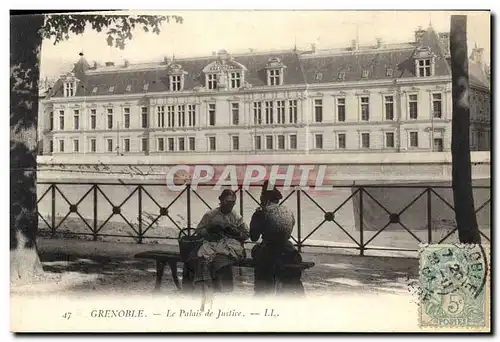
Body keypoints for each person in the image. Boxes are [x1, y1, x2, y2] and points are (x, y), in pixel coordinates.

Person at [187, 189, 249, 293]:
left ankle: (223, 289)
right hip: (212, 244)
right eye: (227, 202)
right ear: (221, 200)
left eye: (233, 203)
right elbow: (199, 231)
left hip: (230, 247)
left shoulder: (236, 217)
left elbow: (246, 235)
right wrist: (209, 230)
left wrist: (235, 232)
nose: (230, 205)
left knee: (222, 261)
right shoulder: (211, 215)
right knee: (200, 259)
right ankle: (207, 288)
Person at [250, 181, 305, 296]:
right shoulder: (288, 212)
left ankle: (262, 293)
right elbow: (287, 234)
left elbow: (254, 237)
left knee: (256, 252)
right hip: (289, 252)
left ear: (263, 199)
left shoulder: (261, 213)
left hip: (269, 253)